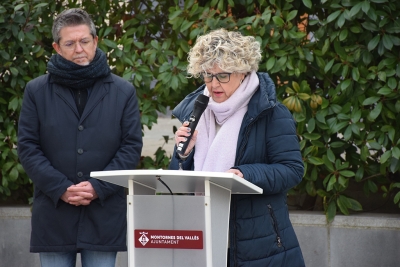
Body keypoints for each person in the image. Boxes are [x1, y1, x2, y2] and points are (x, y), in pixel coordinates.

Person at [17, 8, 142, 267]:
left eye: (84, 41)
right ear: (56, 47)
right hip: (54, 212)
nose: (79, 49)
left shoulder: (123, 91)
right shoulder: (36, 91)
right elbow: (28, 147)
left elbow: (131, 147)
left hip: (104, 212)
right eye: (70, 43)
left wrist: (100, 186)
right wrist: (60, 187)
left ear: (95, 41)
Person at [170, 28, 305, 266]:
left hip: (259, 244)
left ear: (243, 72)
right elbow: (178, 178)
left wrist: (245, 174)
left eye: (223, 75)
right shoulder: (196, 111)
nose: (214, 84)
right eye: (208, 75)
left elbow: (292, 169)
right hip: (203, 237)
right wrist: (185, 152)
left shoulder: (271, 113)